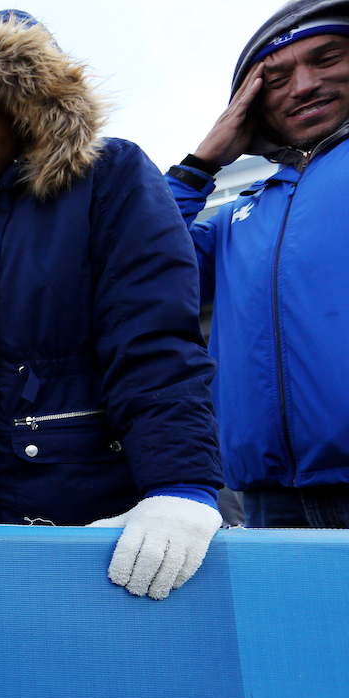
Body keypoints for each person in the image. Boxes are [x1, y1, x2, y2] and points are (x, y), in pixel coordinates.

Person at [0, 10, 223, 599]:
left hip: (99, 521)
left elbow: (152, 339)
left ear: (28, 101)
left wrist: (181, 484)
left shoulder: (112, 178)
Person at [166, 0, 349, 528]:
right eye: (277, 78)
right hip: (269, 501)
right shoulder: (237, 214)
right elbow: (135, 263)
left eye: (328, 57)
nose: (303, 86)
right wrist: (200, 165)